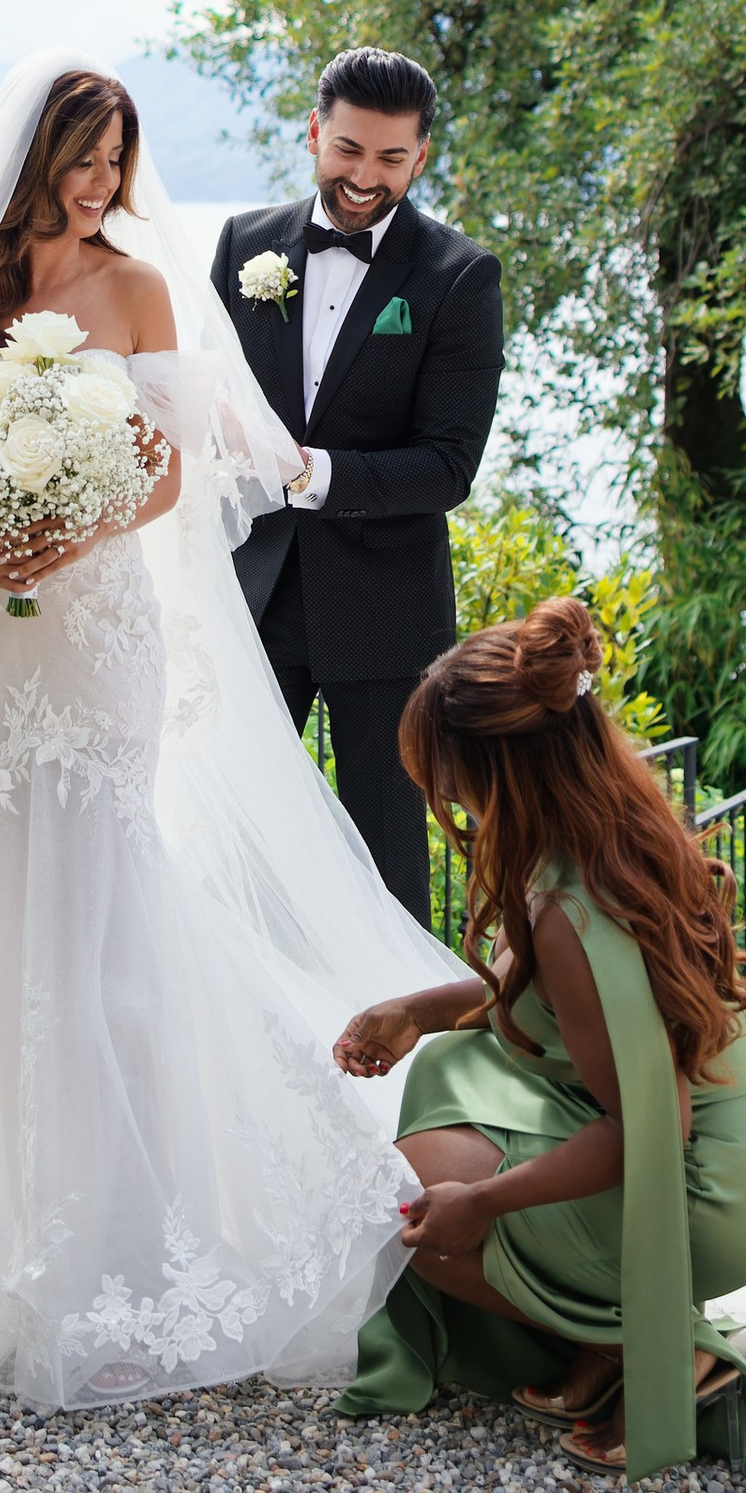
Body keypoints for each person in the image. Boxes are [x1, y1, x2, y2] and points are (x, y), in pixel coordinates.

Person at [0, 57, 471, 1410]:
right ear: (30, 159)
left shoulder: (145, 283)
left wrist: (62, 529)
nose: (99, 185)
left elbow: (167, 464)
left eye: (115, 160)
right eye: (79, 160)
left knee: (102, 895)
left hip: (93, 631)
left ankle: (130, 1228)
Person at [332, 599, 746, 1480]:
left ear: (503, 771)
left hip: (716, 1183)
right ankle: (600, 1330)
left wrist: (482, 1205)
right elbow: (546, 1003)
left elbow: (650, 1127)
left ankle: (667, 1351)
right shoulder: (608, 824)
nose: (445, 800)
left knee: (418, 1214)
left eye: (450, 779)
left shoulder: (570, 904)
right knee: (452, 1064)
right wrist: (417, 1010)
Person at [214, 46, 504, 920]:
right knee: (237, 839)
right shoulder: (243, 244)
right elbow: (204, 400)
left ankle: (398, 1046)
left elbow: (449, 465)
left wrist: (311, 473)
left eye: (389, 158)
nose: (364, 178)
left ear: (421, 156)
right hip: (252, 595)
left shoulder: (460, 276)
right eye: (348, 150)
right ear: (314, 133)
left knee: (386, 861)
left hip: (386, 614)